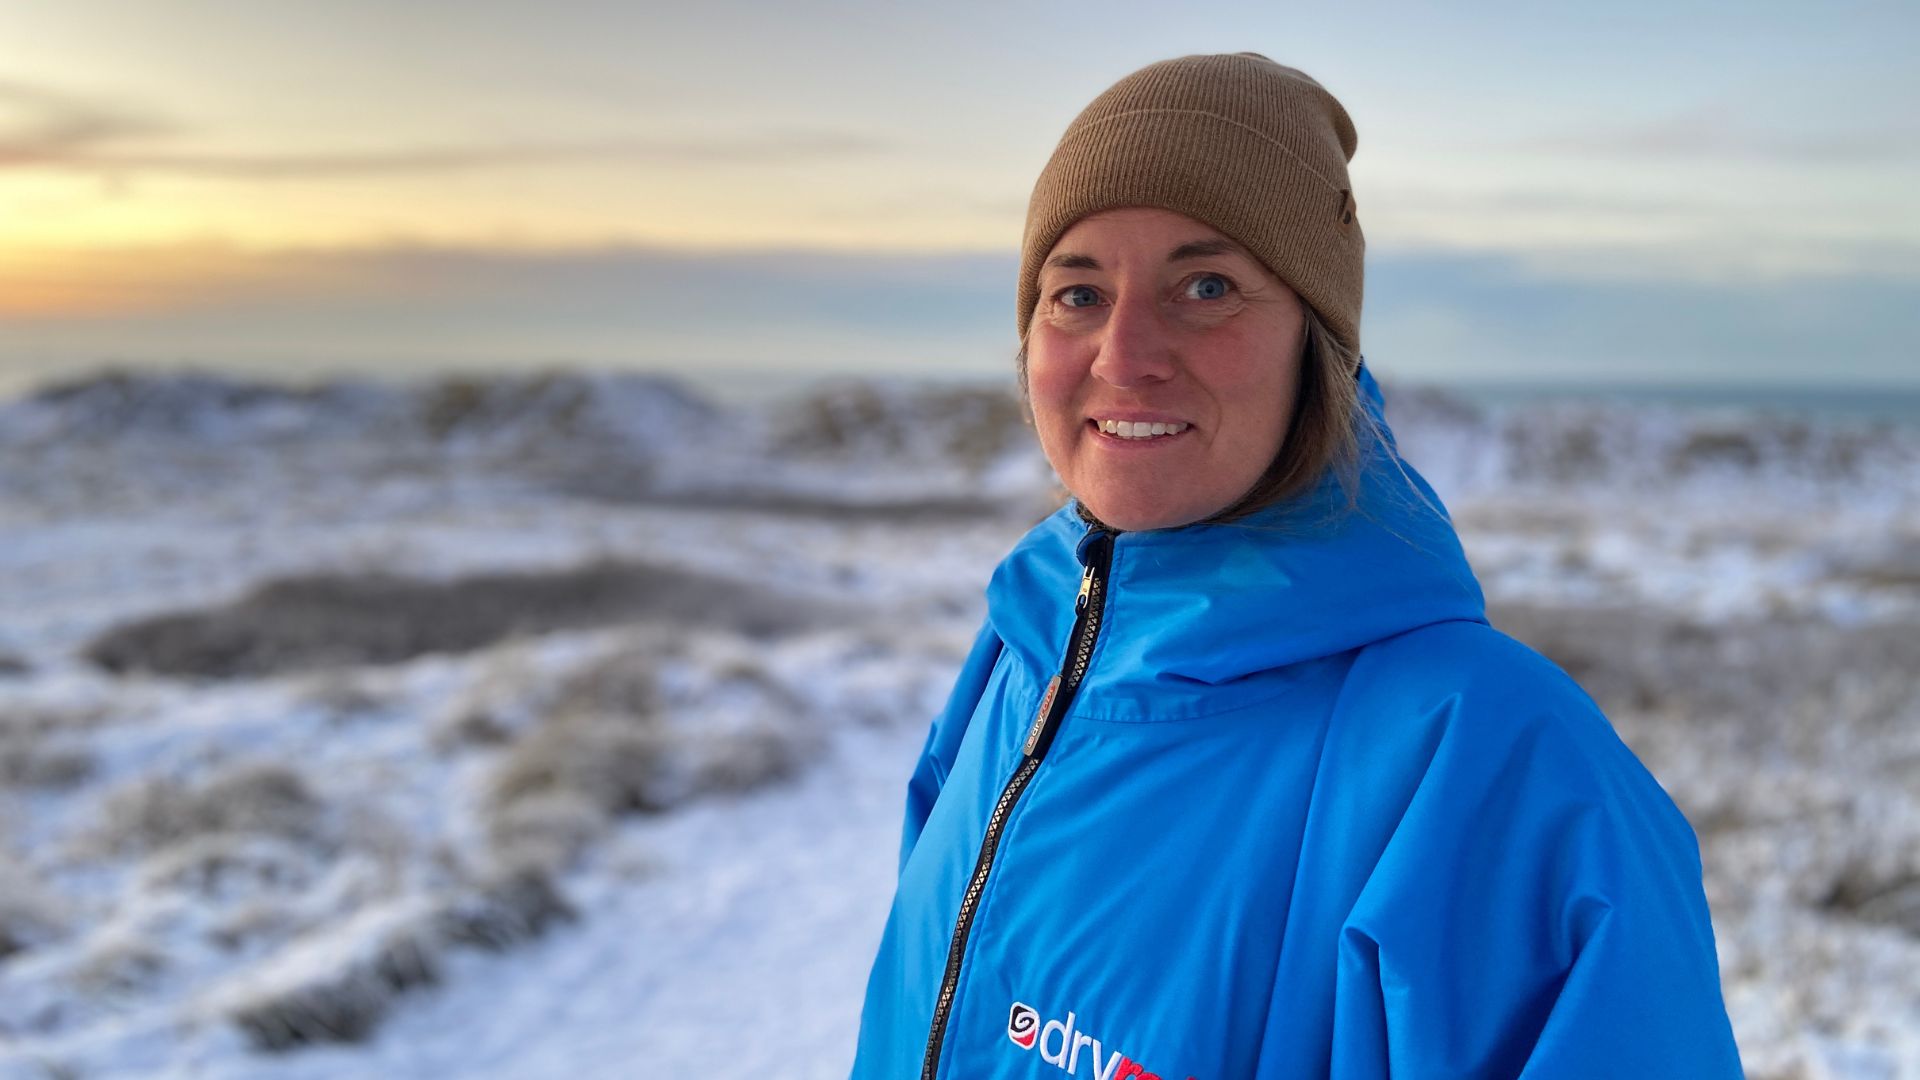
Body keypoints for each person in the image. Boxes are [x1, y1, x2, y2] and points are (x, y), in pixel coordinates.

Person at [849, 52, 1743, 1079]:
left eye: (1207, 286)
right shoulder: (1022, 657)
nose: (1124, 354)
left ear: (1317, 344)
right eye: (1077, 293)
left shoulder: (1491, 761)